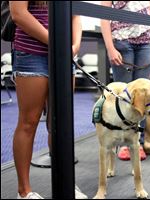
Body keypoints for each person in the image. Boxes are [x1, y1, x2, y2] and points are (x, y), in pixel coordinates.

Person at [10, 1, 87, 199]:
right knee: (29, 121)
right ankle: (24, 192)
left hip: (64, 53)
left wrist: (75, 45)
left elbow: (75, 13)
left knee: (61, 122)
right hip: (32, 53)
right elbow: (18, 13)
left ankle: (66, 183)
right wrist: (57, 41)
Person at [100, 1, 150, 160]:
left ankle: (138, 142)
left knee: (144, 97)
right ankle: (122, 143)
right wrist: (110, 48)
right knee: (124, 94)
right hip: (122, 42)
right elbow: (103, 17)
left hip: (146, 44)